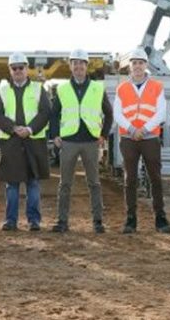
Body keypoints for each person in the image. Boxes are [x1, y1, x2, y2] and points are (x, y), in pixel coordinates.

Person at [50, 49, 113, 233]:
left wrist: (103, 135)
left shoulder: (97, 88)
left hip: (91, 142)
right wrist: (55, 135)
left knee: (94, 182)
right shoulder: (62, 89)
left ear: (87, 66)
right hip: (68, 141)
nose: (78, 67)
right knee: (65, 183)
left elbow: (108, 114)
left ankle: (98, 221)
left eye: (82, 63)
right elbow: (54, 114)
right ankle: (62, 221)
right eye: (75, 63)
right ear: (70, 66)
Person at [113, 48, 170, 234]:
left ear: (146, 65)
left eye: (141, 62)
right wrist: (132, 129)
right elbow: (118, 113)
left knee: (155, 178)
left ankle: (160, 218)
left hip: (150, 138)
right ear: (129, 66)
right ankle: (130, 219)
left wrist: (144, 129)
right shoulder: (122, 88)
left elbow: (161, 112)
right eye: (134, 63)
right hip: (128, 138)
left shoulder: (157, 86)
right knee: (130, 179)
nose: (137, 66)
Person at [0, 52, 51, 232]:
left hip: (33, 141)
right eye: (14, 68)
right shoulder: (2, 90)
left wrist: (30, 129)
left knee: (33, 182)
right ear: (10, 70)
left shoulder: (39, 89)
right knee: (12, 184)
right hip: (11, 142)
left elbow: (44, 113)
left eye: (21, 67)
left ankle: (34, 220)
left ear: (27, 69)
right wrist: (13, 128)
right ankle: (11, 221)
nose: (18, 71)